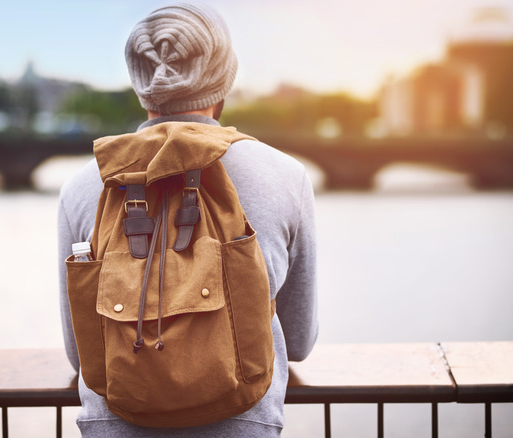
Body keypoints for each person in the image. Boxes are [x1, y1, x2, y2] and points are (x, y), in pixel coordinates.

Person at [57, 3, 318, 436]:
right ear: (223, 79)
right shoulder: (286, 175)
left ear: (142, 84)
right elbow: (299, 339)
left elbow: (79, 351)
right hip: (242, 425)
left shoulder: (86, 183)